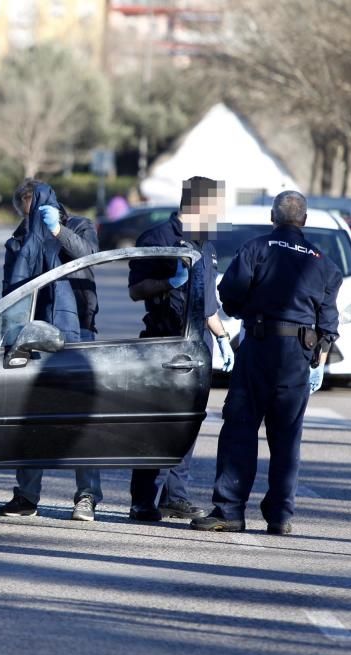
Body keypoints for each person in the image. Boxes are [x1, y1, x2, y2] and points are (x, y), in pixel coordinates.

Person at [192, 191, 341, 534]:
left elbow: (230, 293)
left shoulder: (257, 248)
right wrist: (317, 360)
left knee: (240, 427)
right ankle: (280, 517)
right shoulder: (324, 262)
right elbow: (328, 323)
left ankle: (229, 511)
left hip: (260, 345)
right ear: (304, 221)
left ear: (273, 218)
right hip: (298, 356)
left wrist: (246, 314)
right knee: (287, 437)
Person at [126, 176, 234, 523]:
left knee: (188, 425)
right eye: (215, 206)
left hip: (196, 344)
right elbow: (136, 289)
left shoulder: (205, 244)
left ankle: (176, 497)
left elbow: (209, 305)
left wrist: (222, 338)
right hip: (162, 342)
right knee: (155, 425)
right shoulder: (157, 238)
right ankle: (142, 500)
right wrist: (167, 282)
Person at [0, 179, 103, 522]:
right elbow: (9, 292)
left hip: (79, 333)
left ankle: (86, 496)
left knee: (80, 418)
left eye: (37, 214)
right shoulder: (17, 241)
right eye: (28, 217)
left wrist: (57, 231)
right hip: (35, 335)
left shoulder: (79, 226)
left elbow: (90, 256)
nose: (34, 225)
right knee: (32, 418)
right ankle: (26, 496)